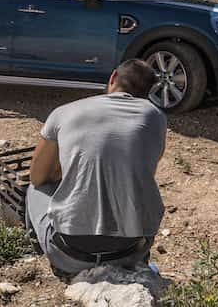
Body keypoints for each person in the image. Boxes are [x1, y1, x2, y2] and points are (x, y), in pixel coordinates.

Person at [26, 59, 166, 276]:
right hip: (130, 252)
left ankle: (39, 254)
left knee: (34, 189)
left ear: (112, 78)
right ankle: (138, 267)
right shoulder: (155, 117)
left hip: (70, 255)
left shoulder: (64, 112)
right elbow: (138, 173)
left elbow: (37, 177)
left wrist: (64, 173)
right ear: (148, 92)